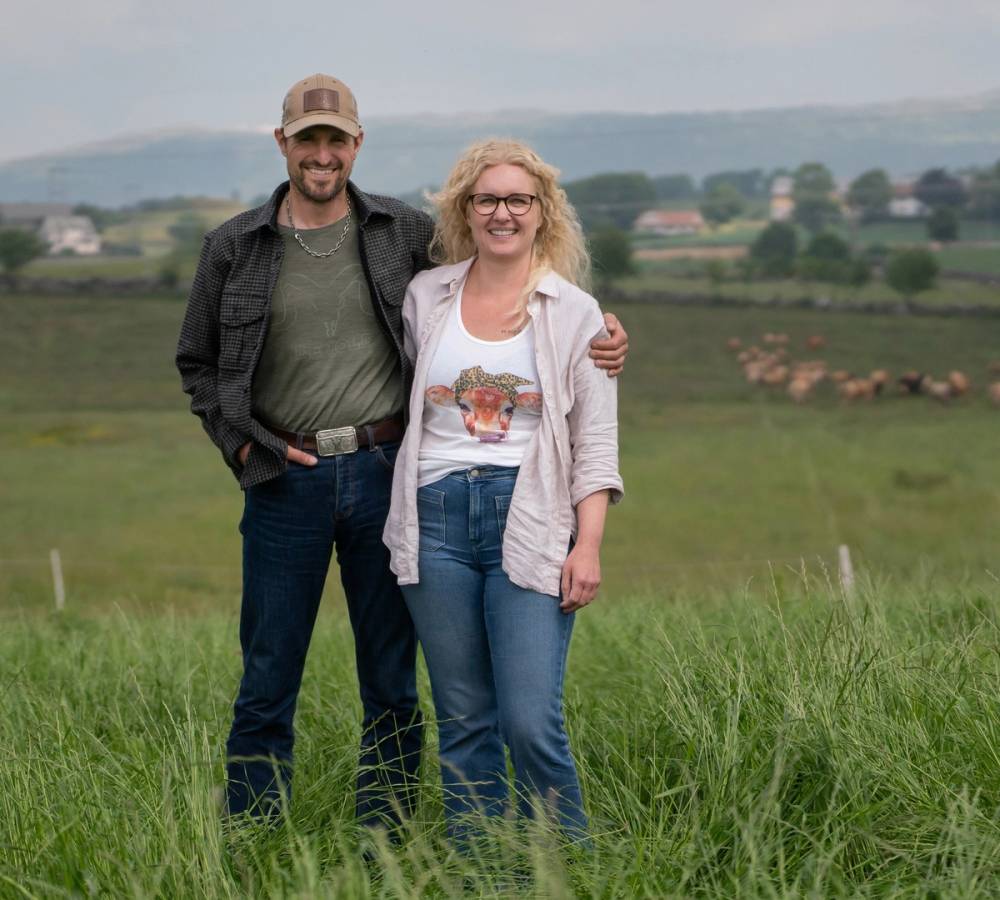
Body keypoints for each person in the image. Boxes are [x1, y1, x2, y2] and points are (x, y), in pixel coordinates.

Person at [176, 73, 629, 827]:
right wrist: (242, 447)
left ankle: (380, 837)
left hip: (389, 476)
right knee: (267, 673)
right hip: (285, 479)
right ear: (283, 142)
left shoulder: (401, 232)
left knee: (391, 679)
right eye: (308, 139)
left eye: (337, 139)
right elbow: (197, 360)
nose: (322, 154)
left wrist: (604, 337)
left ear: (356, 145)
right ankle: (253, 836)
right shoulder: (232, 246)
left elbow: (514, 295)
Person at [383, 139, 623, 844]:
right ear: (465, 210)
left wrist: (589, 546)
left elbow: (596, 443)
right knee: (462, 719)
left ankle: (568, 869)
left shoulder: (575, 312)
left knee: (528, 719)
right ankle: (484, 875)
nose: (502, 213)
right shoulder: (427, 296)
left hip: (531, 517)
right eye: (486, 199)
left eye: (519, 199)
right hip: (435, 519)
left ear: (542, 212)